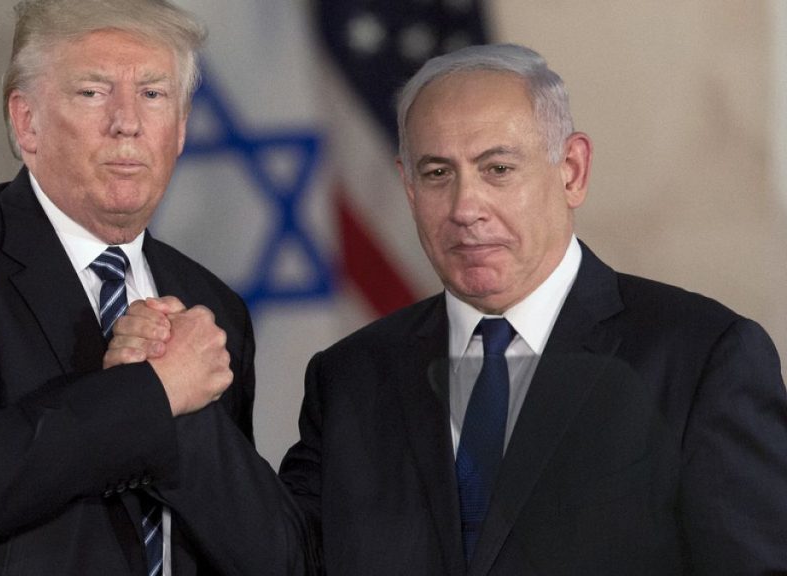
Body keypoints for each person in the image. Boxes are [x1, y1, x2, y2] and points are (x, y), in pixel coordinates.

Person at [0, 0, 308, 574]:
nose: (127, 121)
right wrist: (150, 391)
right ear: (27, 122)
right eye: (93, 92)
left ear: (180, 128)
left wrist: (179, 405)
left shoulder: (209, 306)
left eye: (153, 94)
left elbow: (272, 557)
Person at [274, 44, 787, 574]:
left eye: (497, 168)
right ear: (407, 185)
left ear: (571, 170)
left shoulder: (702, 359)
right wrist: (184, 416)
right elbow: (278, 559)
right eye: (436, 174)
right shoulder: (349, 378)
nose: (465, 207)